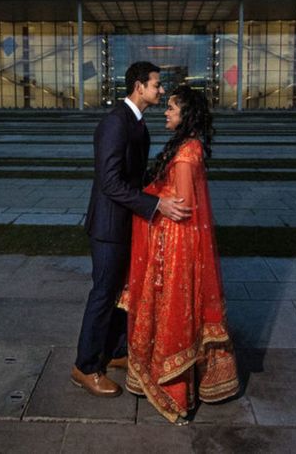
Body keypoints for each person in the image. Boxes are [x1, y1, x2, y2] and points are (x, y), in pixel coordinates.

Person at [120, 85, 239, 424]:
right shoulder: (187, 146)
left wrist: (152, 199)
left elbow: (182, 206)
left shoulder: (187, 153)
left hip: (176, 246)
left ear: (186, 113)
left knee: (175, 311)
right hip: (176, 243)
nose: (167, 112)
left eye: (172, 107)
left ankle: (174, 387)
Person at [72, 62, 192, 397]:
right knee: (103, 294)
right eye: (157, 85)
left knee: (119, 293)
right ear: (139, 86)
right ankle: (85, 366)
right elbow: (110, 183)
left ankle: (116, 352)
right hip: (109, 226)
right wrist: (155, 205)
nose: (162, 90)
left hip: (127, 223)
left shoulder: (137, 125)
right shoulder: (115, 123)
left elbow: (136, 178)